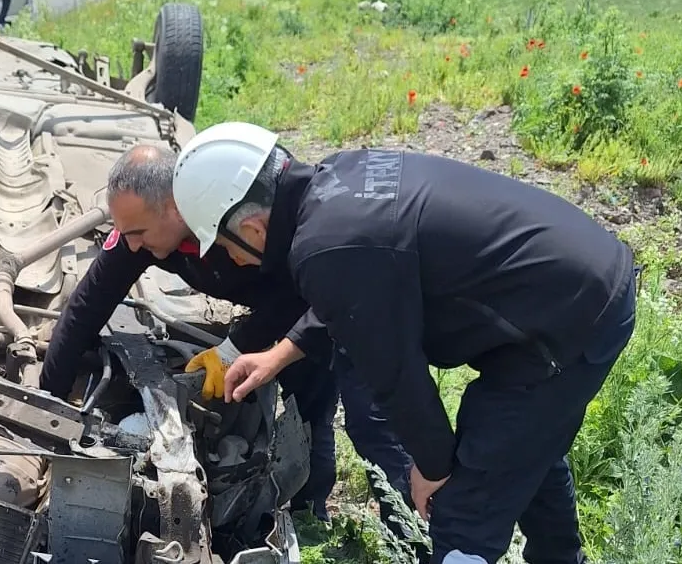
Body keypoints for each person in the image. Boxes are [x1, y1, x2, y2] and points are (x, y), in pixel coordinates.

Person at [171, 122, 640, 564]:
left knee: (463, 512)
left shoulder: (325, 249)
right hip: (577, 285)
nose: (233, 259)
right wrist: (281, 352)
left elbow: (397, 377)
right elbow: (362, 293)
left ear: (253, 227)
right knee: (524, 451)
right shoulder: (339, 181)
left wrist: (432, 468)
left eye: (227, 245)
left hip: (564, 323)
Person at [39, 144, 418, 539]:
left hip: (333, 303)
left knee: (347, 418)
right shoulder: (147, 233)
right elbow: (87, 304)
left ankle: (397, 525)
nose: (132, 245)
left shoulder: (239, 214)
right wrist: (47, 401)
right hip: (277, 308)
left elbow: (300, 291)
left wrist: (238, 344)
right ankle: (307, 517)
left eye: (138, 233)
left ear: (175, 205)